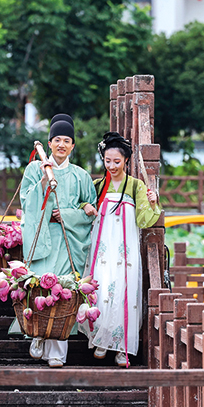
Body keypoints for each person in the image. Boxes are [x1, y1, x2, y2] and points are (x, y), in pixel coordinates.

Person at [20, 114, 96, 367]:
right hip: (40, 237)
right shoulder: (35, 169)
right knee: (39, 287)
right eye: (57, 140)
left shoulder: (81, 176)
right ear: (49, 143)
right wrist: (43, 181)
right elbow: (26, 202)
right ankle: (37, 335)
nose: (61, 145)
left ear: (73, 145)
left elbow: (90, 209)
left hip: (68, 240)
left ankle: (57, 353)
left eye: (66, 141)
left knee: (62, 291)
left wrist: (67, 215)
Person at [79, 132, 161, 367]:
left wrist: (152, 202)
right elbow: (81, 204)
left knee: (125, 292)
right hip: (102, 249)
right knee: (101, 290)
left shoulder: (135, 186)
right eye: (108, 161)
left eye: (117, 161)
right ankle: (101, 339)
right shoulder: (97, 186)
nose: (112, 166)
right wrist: (84, 205)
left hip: (126, 251)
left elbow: (144, 220)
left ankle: (122, 347)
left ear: (126, 160)